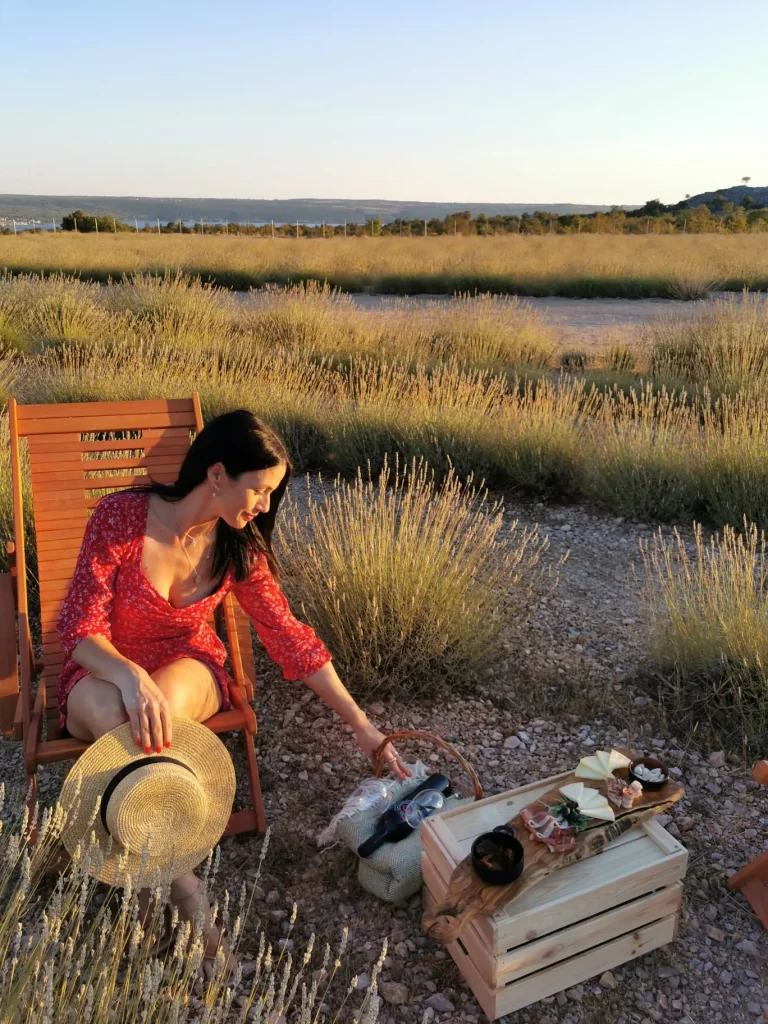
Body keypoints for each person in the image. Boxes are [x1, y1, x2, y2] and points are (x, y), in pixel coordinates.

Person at [55, 408, 411, 975]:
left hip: (187, 670)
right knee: (121, 709)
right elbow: (79, 630)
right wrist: (127, 673)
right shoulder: (121, 517)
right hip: (103, 672)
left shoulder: (238, 547)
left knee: (154, 712)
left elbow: (289, 637)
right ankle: (183, 890)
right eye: (260, 489)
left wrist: (364, 729)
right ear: (217, 474)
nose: (265, 506)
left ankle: (148, 893)